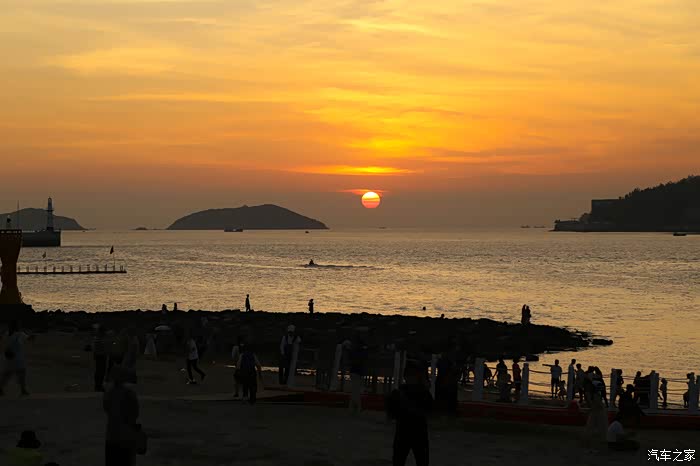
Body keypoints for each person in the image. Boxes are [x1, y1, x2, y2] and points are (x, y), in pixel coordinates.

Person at [387, 361, 432, 466]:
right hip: (417, 432)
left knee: (400, 460)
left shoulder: (399, 393)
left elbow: (391, 415)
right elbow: (430, 410)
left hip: (405, 432)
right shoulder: (422, 393)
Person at [104, 366, 140, 466]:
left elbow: (106, 408)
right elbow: (135, 413)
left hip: (112, 435)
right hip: (126, 436)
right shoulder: (130, 393)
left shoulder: (109, 393)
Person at [1, 320, 30, 396]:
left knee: (7, 374)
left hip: (9, 357)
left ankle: (1, 389)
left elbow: (4, 344)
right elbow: (29, 339)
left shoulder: (7, 334)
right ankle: (23, 390)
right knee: (21, 374)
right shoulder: (20, 334)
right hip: (17, 358)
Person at [349, 336, 369, 413]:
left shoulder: (354, 351)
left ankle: (354, 406)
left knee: (355, 390)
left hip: (354, 371)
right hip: (358, 372)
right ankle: (356, 406)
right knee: (356, 391)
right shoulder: (362, 352)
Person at [94, 326, 108, 392]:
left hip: (100, 356)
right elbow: (98, 348)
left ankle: (98, 386)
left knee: (100, 372)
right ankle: (98, 386)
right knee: (100, 372)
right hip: (100, 356)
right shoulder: (99, 339)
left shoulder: (99, 338)